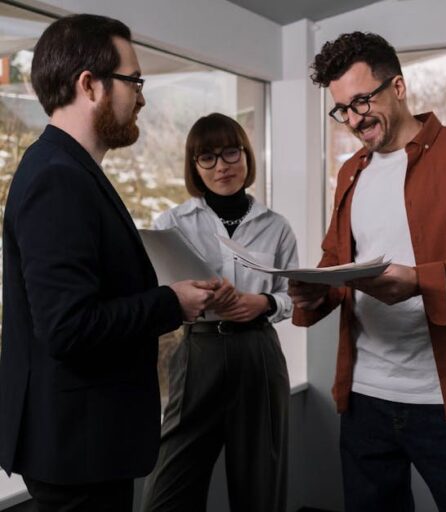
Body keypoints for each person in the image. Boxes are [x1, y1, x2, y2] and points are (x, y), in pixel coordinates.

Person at [289, 31, 446, 512]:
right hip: (364, 397)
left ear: (397, 87)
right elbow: (339, 263)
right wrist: (314, 292)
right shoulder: (350, 171)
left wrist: (419, 279)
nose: (354, 120)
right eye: (342, 109)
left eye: (362, 101)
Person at [0, 14, 217, 512]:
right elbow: (68, 327)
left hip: (85, 444)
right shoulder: (58, 177)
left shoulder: (67, 168)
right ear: (89, 85)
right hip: (78, 451)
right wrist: (171, 302)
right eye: (134, 80)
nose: (141, 97)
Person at [141, 113, 298, 512]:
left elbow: (293, 296)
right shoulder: (172, 223)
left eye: (231, 152)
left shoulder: (276, 227)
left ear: (246, 155)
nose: (222, 165)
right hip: (198, 351)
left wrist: (262, 304)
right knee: (167, 492)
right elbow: (158, 291)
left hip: (257, 353)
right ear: (194, 167)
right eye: (206, 158)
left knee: (261, 488)